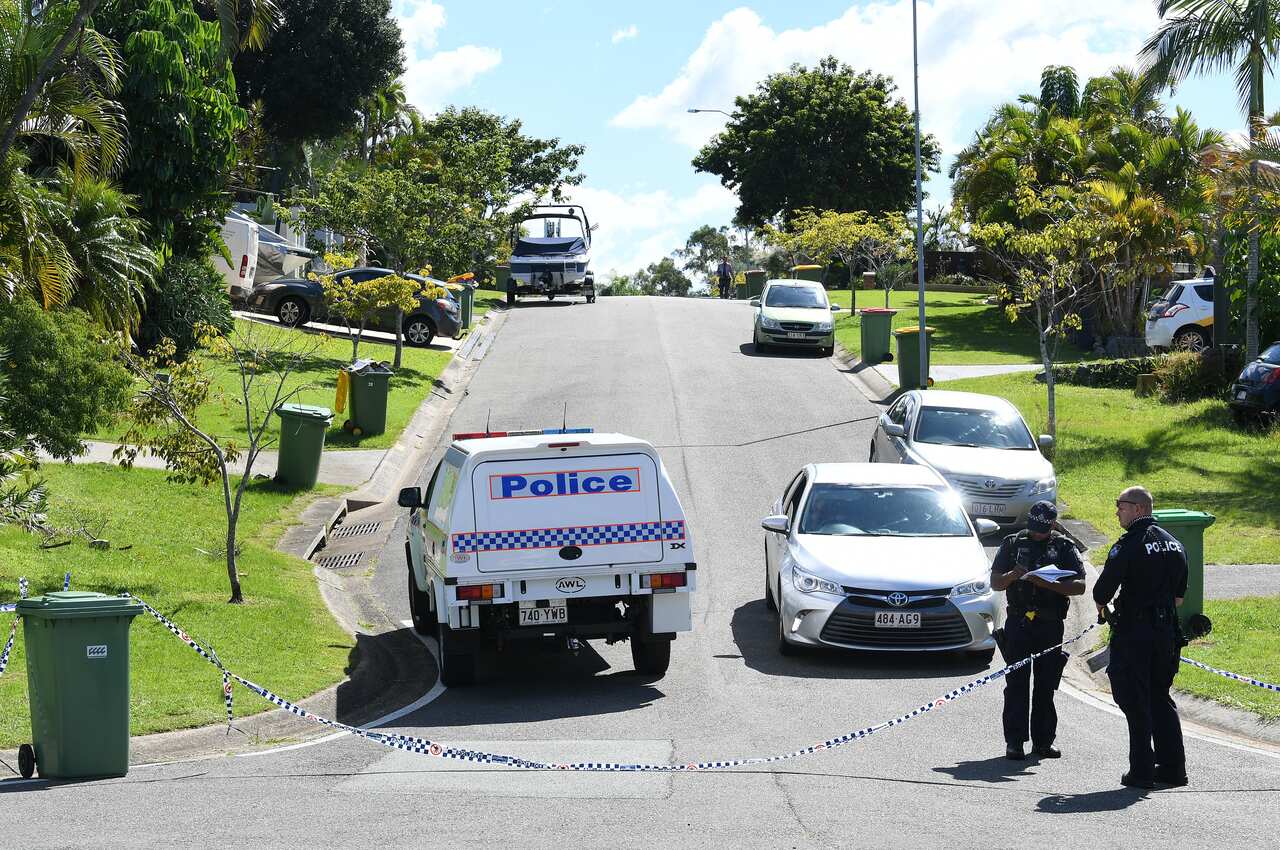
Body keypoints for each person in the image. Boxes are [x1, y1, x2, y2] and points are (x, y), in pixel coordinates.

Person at [1093, 485, 1189, 789]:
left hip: (1135, 634)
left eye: (1120, 505)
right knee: (1160, 697)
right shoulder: (1176, 544)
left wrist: (1110, 610)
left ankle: (1142, 771)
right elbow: (1178, 599)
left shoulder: (1129, 544)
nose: (1117, 511)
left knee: (1134, 701)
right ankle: (1173, 769)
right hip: (1165, 635)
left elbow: (1101, 593)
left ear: (1138, 509)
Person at [989, 500, 1086, 761]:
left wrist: (1047, 583)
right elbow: (995, 581)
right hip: (1019, 623)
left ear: (1053, 525)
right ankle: (1014, 742)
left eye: (1042, 529)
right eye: (1033, 528)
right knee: (1016, 684)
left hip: (1050, 623)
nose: (1036, 533)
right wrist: (1012, 575)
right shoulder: (1012, 543)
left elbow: (1079, 586)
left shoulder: (1063, 547)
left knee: (1046, 685)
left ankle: (1043, 742)